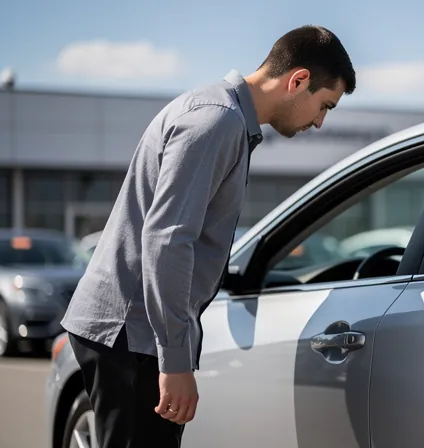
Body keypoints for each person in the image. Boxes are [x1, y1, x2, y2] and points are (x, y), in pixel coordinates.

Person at [60, 24, 356, 448]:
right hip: (132, 334)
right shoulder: (216, 121)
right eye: (324, 106)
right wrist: (175, 360)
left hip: (132, 331)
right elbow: (167, 241)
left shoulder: (219, 114)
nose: (321, 122)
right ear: (298, 80)